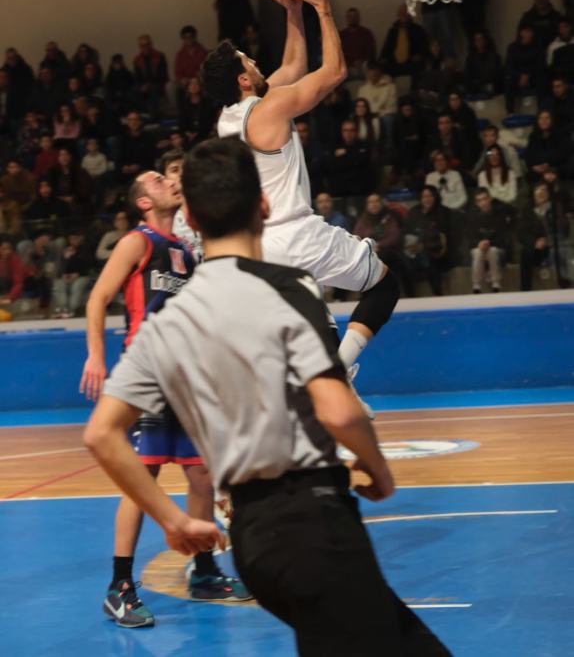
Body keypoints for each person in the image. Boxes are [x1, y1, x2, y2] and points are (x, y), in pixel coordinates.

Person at [84, 136, 451, 657]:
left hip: (252, 544)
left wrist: (173, 520)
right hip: (312, 519)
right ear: (263, 205)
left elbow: (100, 434)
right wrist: (379, 468)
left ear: (190, 213)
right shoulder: (290, 286)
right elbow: (339, 409)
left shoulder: (172, 318)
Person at [204, 0, 400, 395]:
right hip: (296, 234)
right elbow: (332, 74)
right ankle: (341, 375)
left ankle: (330, 404)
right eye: (248, 60)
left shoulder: (230, 116)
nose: (256, 61)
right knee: (385, 285)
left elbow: (293, 64)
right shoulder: (267, 109)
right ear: (243, 78)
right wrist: (324, 8)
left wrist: (293, 12)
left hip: (260, 247)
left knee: (317, 328)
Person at [79, 169, 247, 628]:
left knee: (202, 474)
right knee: (143, 477)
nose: (167, 181)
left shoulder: (186, 251)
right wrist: (95, 356)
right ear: (143, 202)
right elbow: (98, 298)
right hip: (149, 371)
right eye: (156, 180)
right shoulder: (138, 241)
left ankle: (205, 571)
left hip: (187, 376)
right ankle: (120, 587)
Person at [517, 181, 571, 290]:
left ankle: (564, 285)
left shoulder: (556, 208)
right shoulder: (527, 210)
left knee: (559, 250)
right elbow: (521, 233)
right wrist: (534, 242)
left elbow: (563, 229)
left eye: (544, 191)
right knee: (525, 252)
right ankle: (525, 289)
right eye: (538, 191)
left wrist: (547, 240)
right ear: (533, 194)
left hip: (553, 244)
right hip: (535, 248)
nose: (541, 194)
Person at [404, 186, 450, 296]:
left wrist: (423, 245)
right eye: (424, 196)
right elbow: (407, 231)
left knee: (429, 262)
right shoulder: (414, 212)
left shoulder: (443, 212)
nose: (427, 199)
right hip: (414, 249)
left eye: (430, 196)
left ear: (435, 197)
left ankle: (437, 295)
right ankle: (409, 299)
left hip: (436, 250)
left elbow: (443, 236)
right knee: (403, 263)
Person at [467, 188, 508, 293]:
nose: (483, 203)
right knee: (478, 252)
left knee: (492, 251)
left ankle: (496, 284)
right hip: (478, 248)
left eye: (485, 199)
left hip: (497, 248)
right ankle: (476, 286)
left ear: (490, 199)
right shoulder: (472, 217)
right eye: (479, 200)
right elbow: (469, 238)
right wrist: (479, 244)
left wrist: (489, 244)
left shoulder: (500, 214)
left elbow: (503, 237)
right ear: (476, 203)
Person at [504, 24, 547, 114]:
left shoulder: (538, 47)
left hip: (533, 76)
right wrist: (520, 76)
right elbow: (509, 66)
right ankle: (510, 112)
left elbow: (540, 66)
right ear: (521, 33)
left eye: (530, 32)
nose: (529, 35)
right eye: (526, 32)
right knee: (508, 81)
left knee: (542, 81)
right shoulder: (513, 47)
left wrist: (528, 76)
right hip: (517, 77)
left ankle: (542, 111)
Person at [51, 227, 92, 317]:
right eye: (71, 239)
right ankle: (63, 309)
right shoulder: (66, 250)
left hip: (82, 276)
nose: (73, 241)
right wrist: (66, 260)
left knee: (76, 287)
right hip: (67, 276)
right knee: (59, 283)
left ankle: (73, 309)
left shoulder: (85, 249)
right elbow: (60, 269)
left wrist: (74, 258)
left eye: (75, 238)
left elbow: (87, 265)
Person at [380, 3, 428, 78]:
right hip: (394, 62)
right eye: (401, 13)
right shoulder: (392, 31)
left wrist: (420, 55)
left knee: (418, 66)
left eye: (405, 13)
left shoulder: (418, 30)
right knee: (382, 66)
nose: (403, 15)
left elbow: (424, 46)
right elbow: (386, 47)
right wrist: (383, 58)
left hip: (411, 61)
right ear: (398, 15)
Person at [524, 110, 571, 184]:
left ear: (552, 120)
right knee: (529, 175)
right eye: (541, 118)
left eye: (547, 118)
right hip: (540, 168)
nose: (543, 121)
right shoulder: (533, 136)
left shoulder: (561, 134)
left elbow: (562, 154)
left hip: (557, 167)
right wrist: (534, 167)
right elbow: (528, 155)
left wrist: (548, 165)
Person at [133, 35, 169, 116]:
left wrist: (148, 85)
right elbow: (137, 77)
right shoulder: (137, 59)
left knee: (153, 89)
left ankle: (154, 116)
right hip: (143, 85)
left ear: (150, 44)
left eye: (147, 44)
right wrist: (141, 86)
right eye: (142, 45)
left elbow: (163, 75)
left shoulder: (159, 56)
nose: (145, 47)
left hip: (158, 83)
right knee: (134, 91)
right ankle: (141, 115)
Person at [338, 7, 376, 77]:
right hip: (347, 66)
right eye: (350, 17)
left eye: (355, 16)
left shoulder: (366, 33)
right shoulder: (342, 35)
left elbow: (371, 52)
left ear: (358, 18)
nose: (352, 19)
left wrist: (361, 61)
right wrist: (351, 63)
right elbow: (339, 53)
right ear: (347, 18)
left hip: (364, 64)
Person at [463, 30, 503, 96]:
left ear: (485, 40)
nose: (479, 42)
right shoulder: (470, 59)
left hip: (494, 87)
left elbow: (498, 73)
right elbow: (468, 77)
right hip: (478, 89)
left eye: (481, 39)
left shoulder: (494, 56)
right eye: (476, 40)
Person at [0, 238, 25, 308]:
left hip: (10, 293)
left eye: (8, 249)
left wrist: (10, 298)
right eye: (3, 248)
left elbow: (18, 283)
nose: (6, 251)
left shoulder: (15, 260)